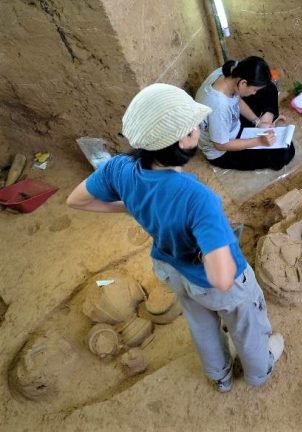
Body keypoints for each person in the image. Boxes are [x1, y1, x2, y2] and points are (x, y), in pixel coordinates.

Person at [66, 83, 284, 393]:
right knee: (246, 325)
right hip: (211, 281)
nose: (199, 127)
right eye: (194, 126)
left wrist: (131, 206)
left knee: (202, 325)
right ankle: (258, 372)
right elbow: (222, 279)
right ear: (184, 140)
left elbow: (76, 200)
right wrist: (215, 244)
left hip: (171, 269)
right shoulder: (198, 199)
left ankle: (220, 377)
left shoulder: (118, 168)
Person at [195, 56, 295, 171]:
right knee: (284, 153)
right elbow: (220, 145)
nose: (254, 93)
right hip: (223, 150)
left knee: (269, 88)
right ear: (243, 83)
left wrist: (257, 122)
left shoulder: (230, 71)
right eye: (254, 90)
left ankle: (264, 124)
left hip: (231, 122)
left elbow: (235, 99)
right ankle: (262, 129)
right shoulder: (218, 105)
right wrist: (259, 141)